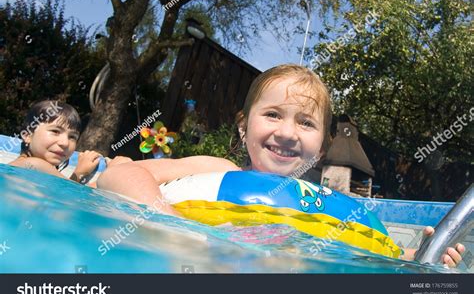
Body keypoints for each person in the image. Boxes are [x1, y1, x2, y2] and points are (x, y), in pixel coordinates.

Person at [97, 64, 464, 266]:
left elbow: (371, 252)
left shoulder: (330, 208)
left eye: (306, 123)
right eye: (272, 115)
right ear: (244, 127)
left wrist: (419, 257)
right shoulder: (219, 168)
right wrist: (168, 219)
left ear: (320, 149)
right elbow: (121, 172)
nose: (287, 133)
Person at [9, 100, 130, 185]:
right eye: (55, 131)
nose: (65, 143)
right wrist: (112, 173)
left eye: (72, 137)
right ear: (27, 135)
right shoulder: (32, 164)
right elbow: (70, 193)